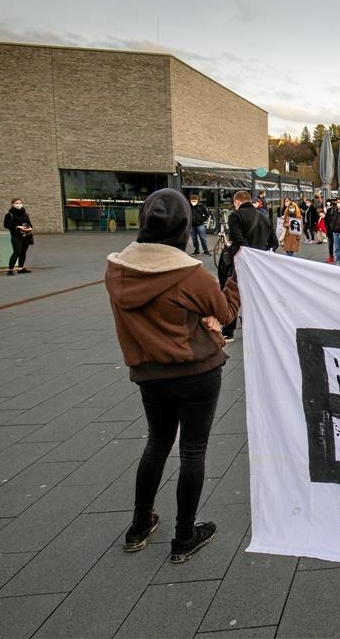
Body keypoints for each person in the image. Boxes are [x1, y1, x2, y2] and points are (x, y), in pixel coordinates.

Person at [106, 189, 240, 564]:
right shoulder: (189, 274)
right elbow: (226, 312)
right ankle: (184, 535)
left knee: (157, 444)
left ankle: (139, 524)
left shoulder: (117, 270)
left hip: (149, 373)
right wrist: (236, 276)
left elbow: (160, 312)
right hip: (196, 371)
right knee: (193, 451)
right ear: (184, 226)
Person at [220, 190, 275, 342]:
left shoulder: (236, 216)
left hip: (242, 262)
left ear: (237, 201)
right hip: (261, 264)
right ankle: (253, 327)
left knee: (233, 294)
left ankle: (228, 331)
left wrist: (248, 254)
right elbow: (273, 242)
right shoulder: (264, 216)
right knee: (255, 295)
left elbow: (237, 239)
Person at [4, 198, 34, 275]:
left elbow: (29, 224)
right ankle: (10, 269)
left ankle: (20, 268)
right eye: (16, 203)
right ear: (12, 204)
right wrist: (18, 227)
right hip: (16, 236)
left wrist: (30, 228)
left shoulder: (25, 214)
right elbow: (6, 225)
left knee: (23, 252)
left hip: (26, 235)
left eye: (20, 203)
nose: (19, 204)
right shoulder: (9, 214)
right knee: (17, 252)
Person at [323, 198, 338, 263]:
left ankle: (339, 257)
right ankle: (331, 256)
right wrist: (327, 226)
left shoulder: (339, 210)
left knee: (337, 244)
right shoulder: (329, 210)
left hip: (337, 230)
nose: (334, 206)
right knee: (330, 244)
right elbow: (325, 219)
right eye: (333, 204)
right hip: (329, 230)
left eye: (335, 204)